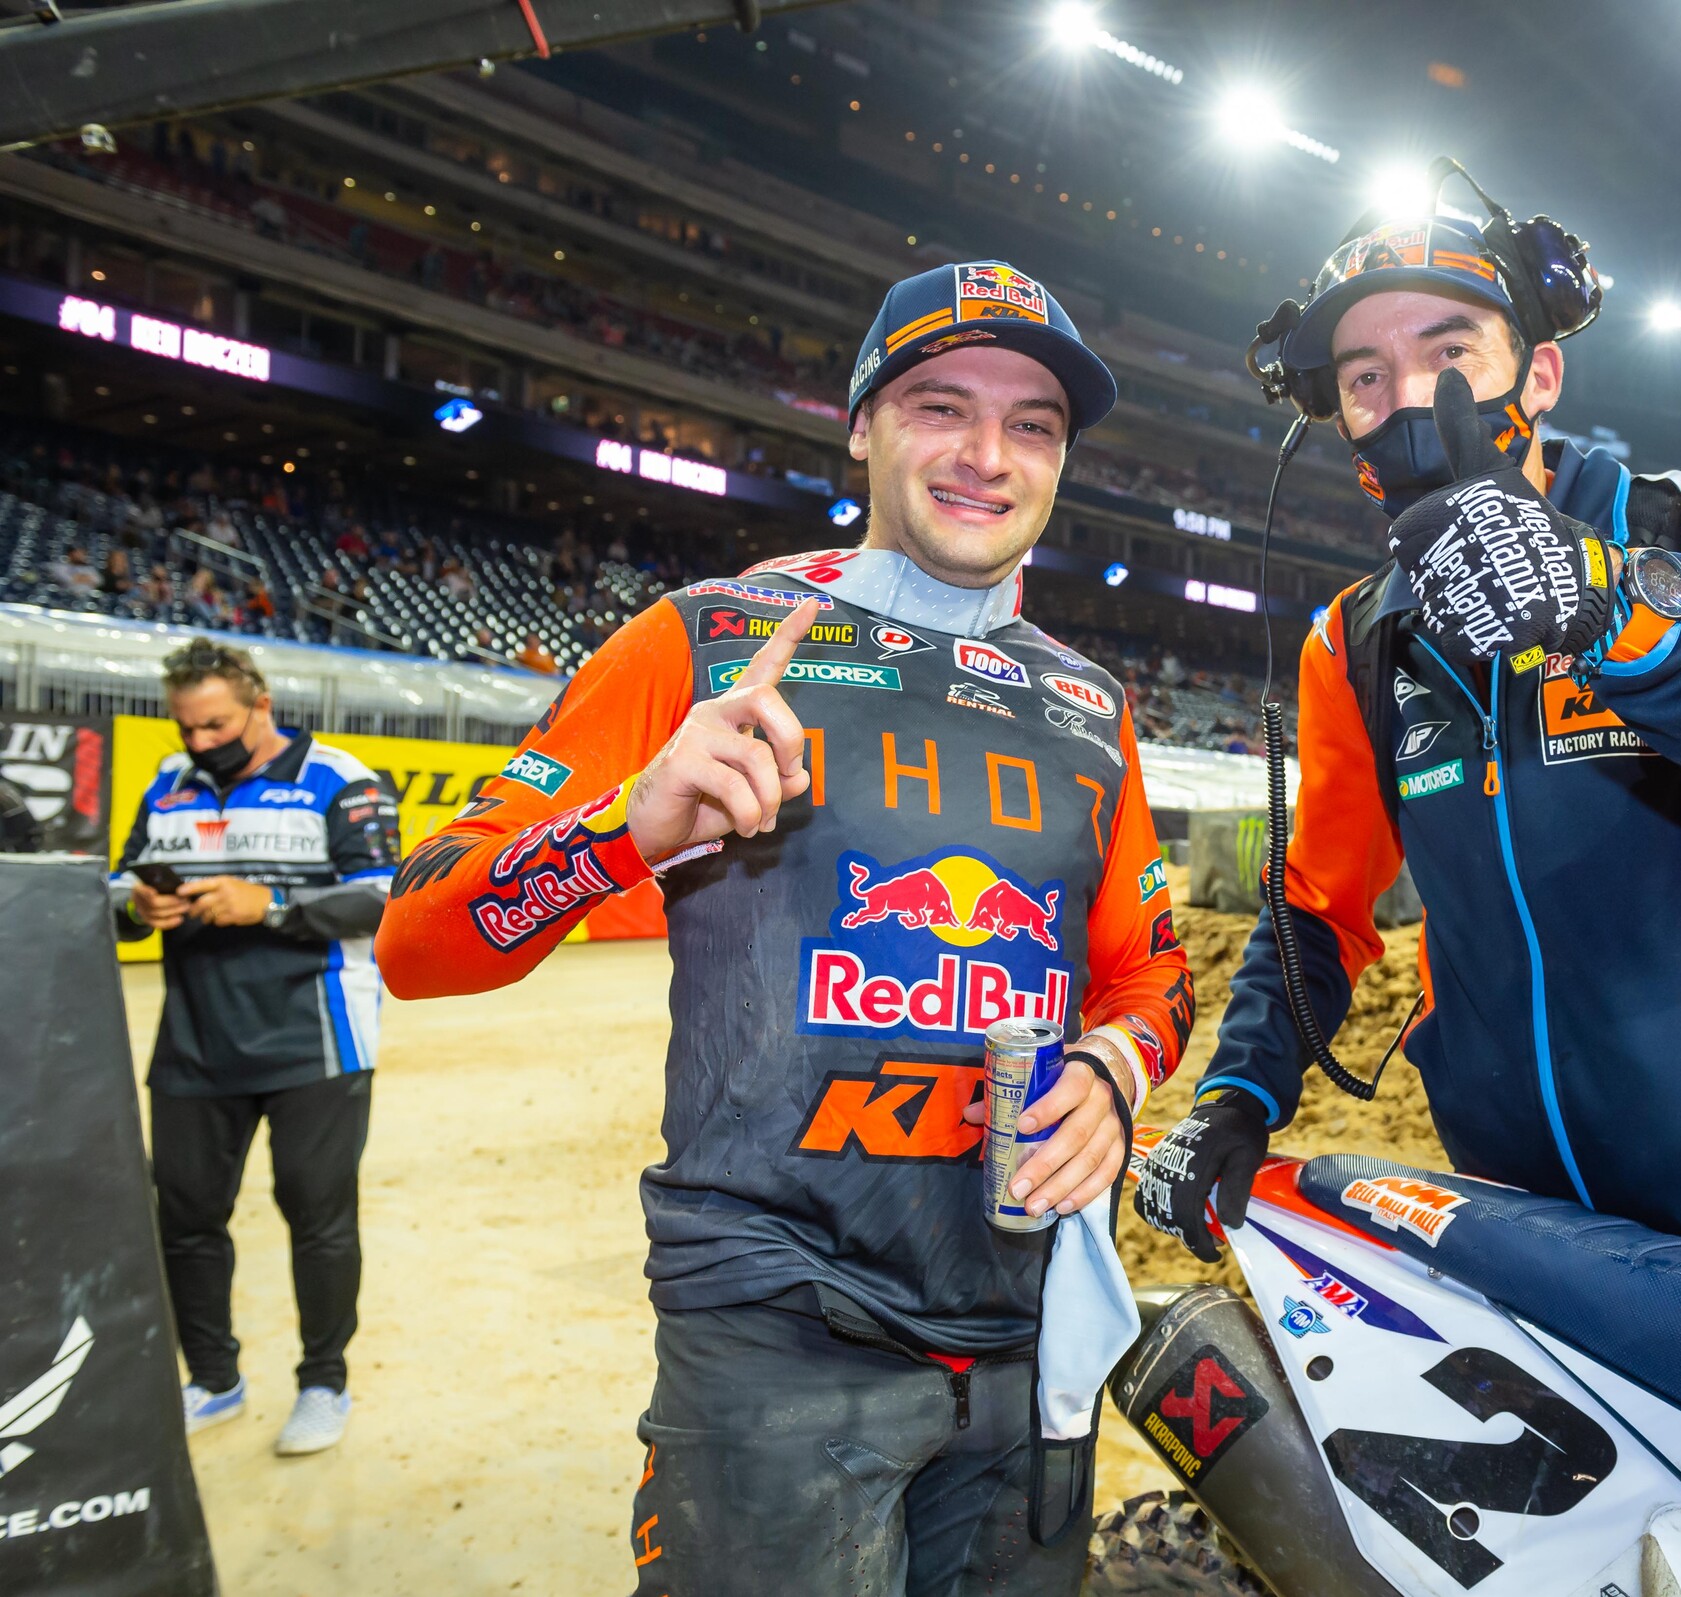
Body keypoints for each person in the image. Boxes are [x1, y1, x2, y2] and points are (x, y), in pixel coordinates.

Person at [377, 259, 1193, 1597]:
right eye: (940, 405)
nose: (988, 454)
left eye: (1032, 423)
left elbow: (1147, 976)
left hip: (1023, 1347)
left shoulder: (1091, 704)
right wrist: (624, 832)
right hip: (774, 1343)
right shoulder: (704, 641)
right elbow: (416, 943)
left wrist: (1114, 1068)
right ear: (861, 425)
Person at [1137, 186, 1681, 1295]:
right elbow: (1316, 913)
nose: (1412, 399)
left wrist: (1616, 602)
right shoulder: (1356, 640)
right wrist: (1238, 1096)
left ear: (1540, 374)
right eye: (1365, 377)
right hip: (1524, 1224)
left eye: (1451, 350)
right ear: (1336, 413)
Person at [112, 639, 400, 1454]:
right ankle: (212, 1377)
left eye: (215, 724)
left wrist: (267, 903)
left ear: (260, 704)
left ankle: (323, 1383)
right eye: (187, 728)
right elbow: (118, 886)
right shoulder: (167, 787)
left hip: (317, 1041)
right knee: (187, 1218)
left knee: (317, 1217)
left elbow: (384, 897)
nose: (200, 742)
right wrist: (139, 907)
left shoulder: (341, 780)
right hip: (195, 1043)